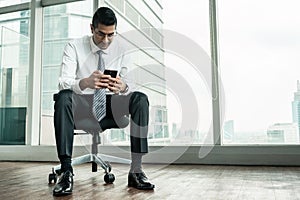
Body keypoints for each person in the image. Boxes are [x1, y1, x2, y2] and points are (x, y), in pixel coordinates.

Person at [52, 7, 155, 196]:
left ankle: (136, 170)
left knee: (140, 99)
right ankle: (66, 171)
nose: (105, 41)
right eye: (101, 34)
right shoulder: (74, 46)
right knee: (63, 97)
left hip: (111, 104)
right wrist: (85, 82)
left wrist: (122, 87)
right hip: (82, 103)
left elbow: (132, 83)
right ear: (92, 28)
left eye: (111, 35)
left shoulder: (122, 49)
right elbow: (62, 81)